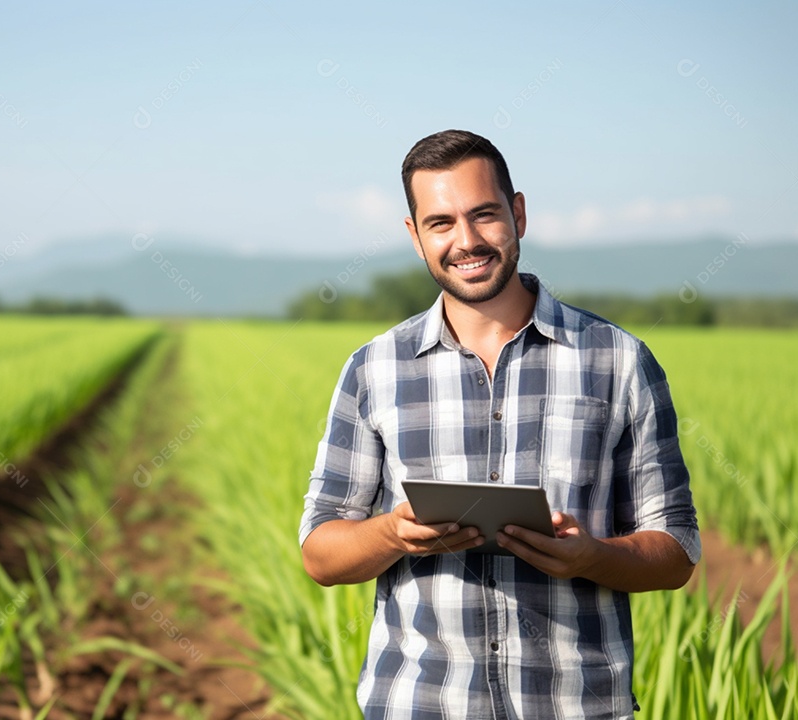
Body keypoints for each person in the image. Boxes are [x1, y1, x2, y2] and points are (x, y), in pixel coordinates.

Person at [299, 129, 700, 719]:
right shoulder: (373, 369)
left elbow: (677, 549)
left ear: (517, 213)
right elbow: (319, 552)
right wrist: (393, 535)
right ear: (415, 237)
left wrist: (590, 557)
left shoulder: (618, 360)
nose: (466, 241)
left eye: (484, 215)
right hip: (418, 704)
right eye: (440, 223)